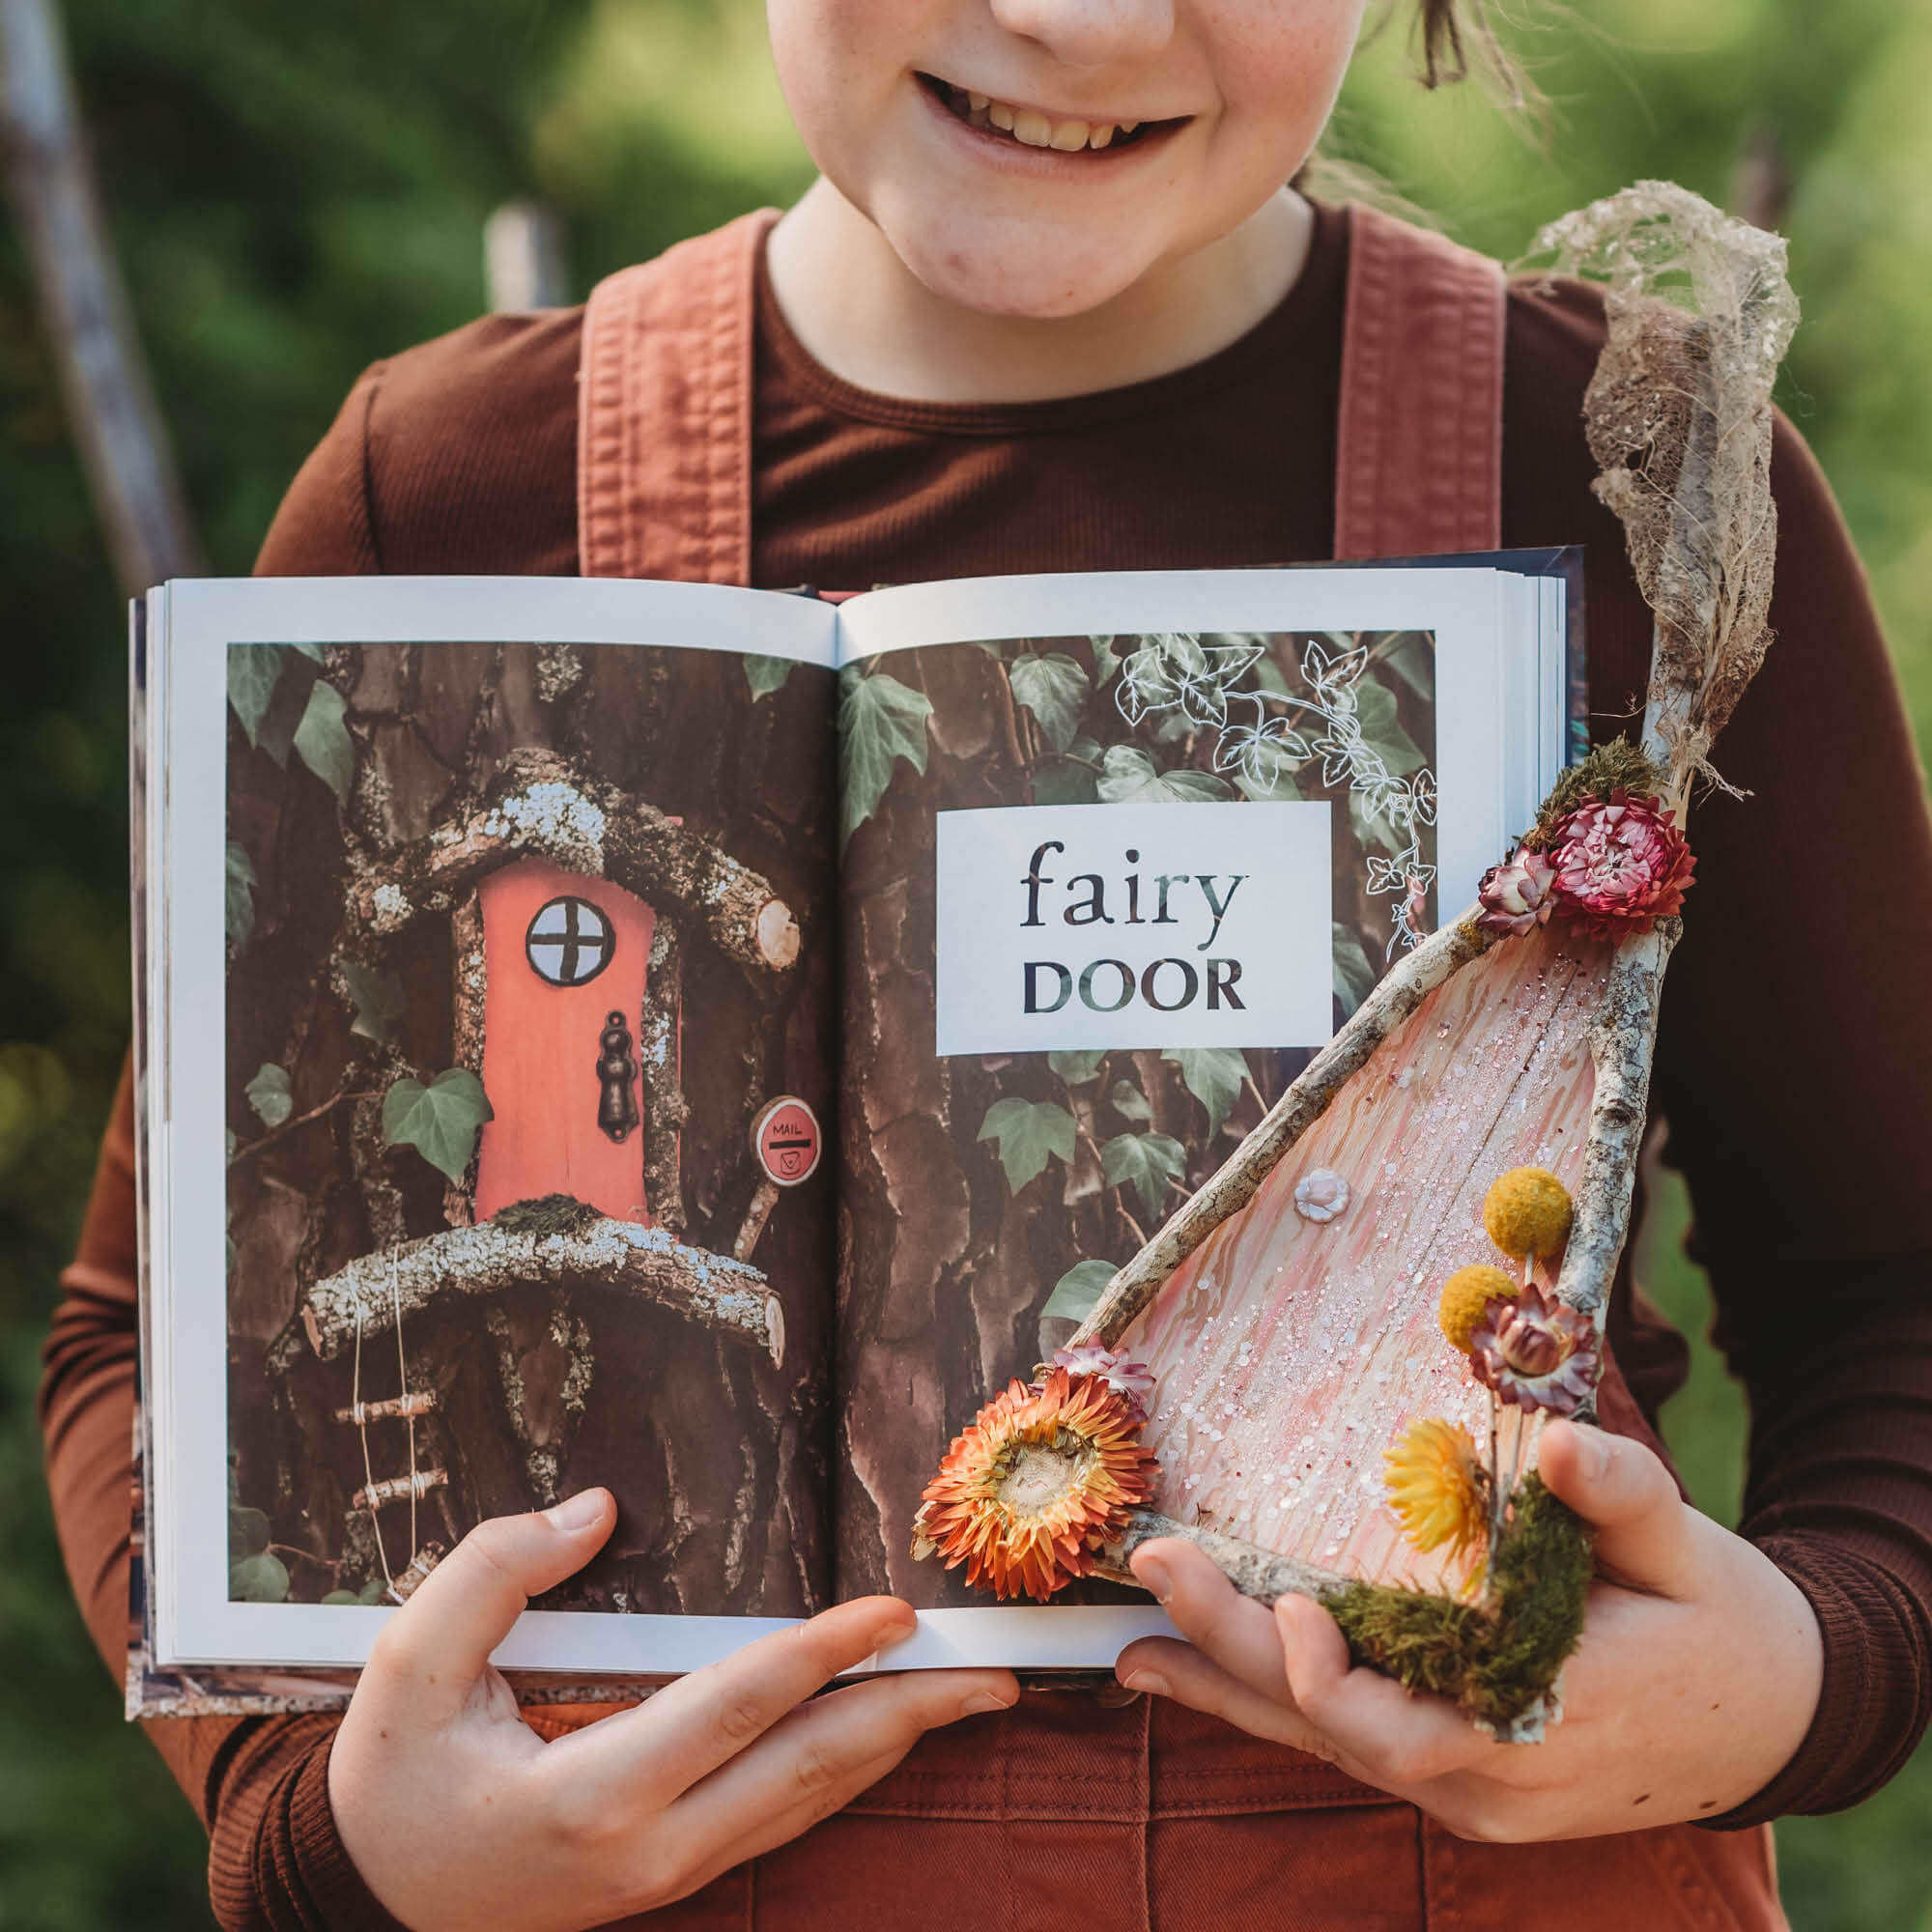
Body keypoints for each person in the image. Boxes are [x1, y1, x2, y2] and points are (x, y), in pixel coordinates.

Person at [41, 1, 1932, 1925]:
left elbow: (1890, 1287)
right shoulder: (445, 502)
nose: (1078, 18)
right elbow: (149, 1350)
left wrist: (1801, 1671)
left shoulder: (1624, 489)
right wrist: (331, 1828)